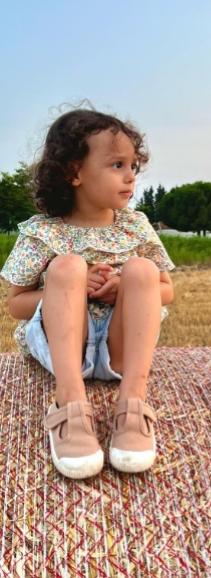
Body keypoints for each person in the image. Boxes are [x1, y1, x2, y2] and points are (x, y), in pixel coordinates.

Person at [0, 108, 175, 479]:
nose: (130, 177)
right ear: (73, 173)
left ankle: (132, 402)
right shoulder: (42, 232)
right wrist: (74, 291)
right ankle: (71, 401)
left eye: (133, 166)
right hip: (67, 349)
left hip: (121, 349)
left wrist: (121, 289)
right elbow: (17, 304)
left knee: (142, 269)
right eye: (116, 165)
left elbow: (166, 291)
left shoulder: (137, 227)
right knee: (65, 268)